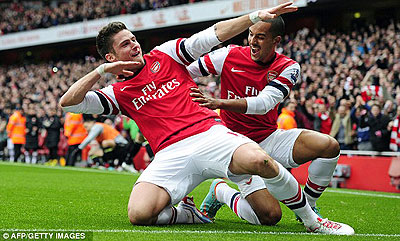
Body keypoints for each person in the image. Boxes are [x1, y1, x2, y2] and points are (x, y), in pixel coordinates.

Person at [59, 2, 353, 234]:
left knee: (263, 168)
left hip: (210, 134)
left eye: (134, 39)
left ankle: (313, 220)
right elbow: (68, 103)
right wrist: (98, 75)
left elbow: (214, 34)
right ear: (111, 58)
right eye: (125, 44)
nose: (135, 46)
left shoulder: (167, 54)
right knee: (139, 214)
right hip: (170, 153)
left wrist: (252, 17)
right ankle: (187, 213)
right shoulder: (117, 92)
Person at [188, 15, 347, 227]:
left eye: (260, 37)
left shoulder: (289, 67)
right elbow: (186, 71)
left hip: (268, 138)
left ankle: (307, 207)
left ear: (276, 41)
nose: (252, 41)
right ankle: (221, 191)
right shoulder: (228, 55)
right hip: (235, 147)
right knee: (270, 217)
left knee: (329, 146)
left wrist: (218, 102)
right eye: (251, 34)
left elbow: (263, 103)